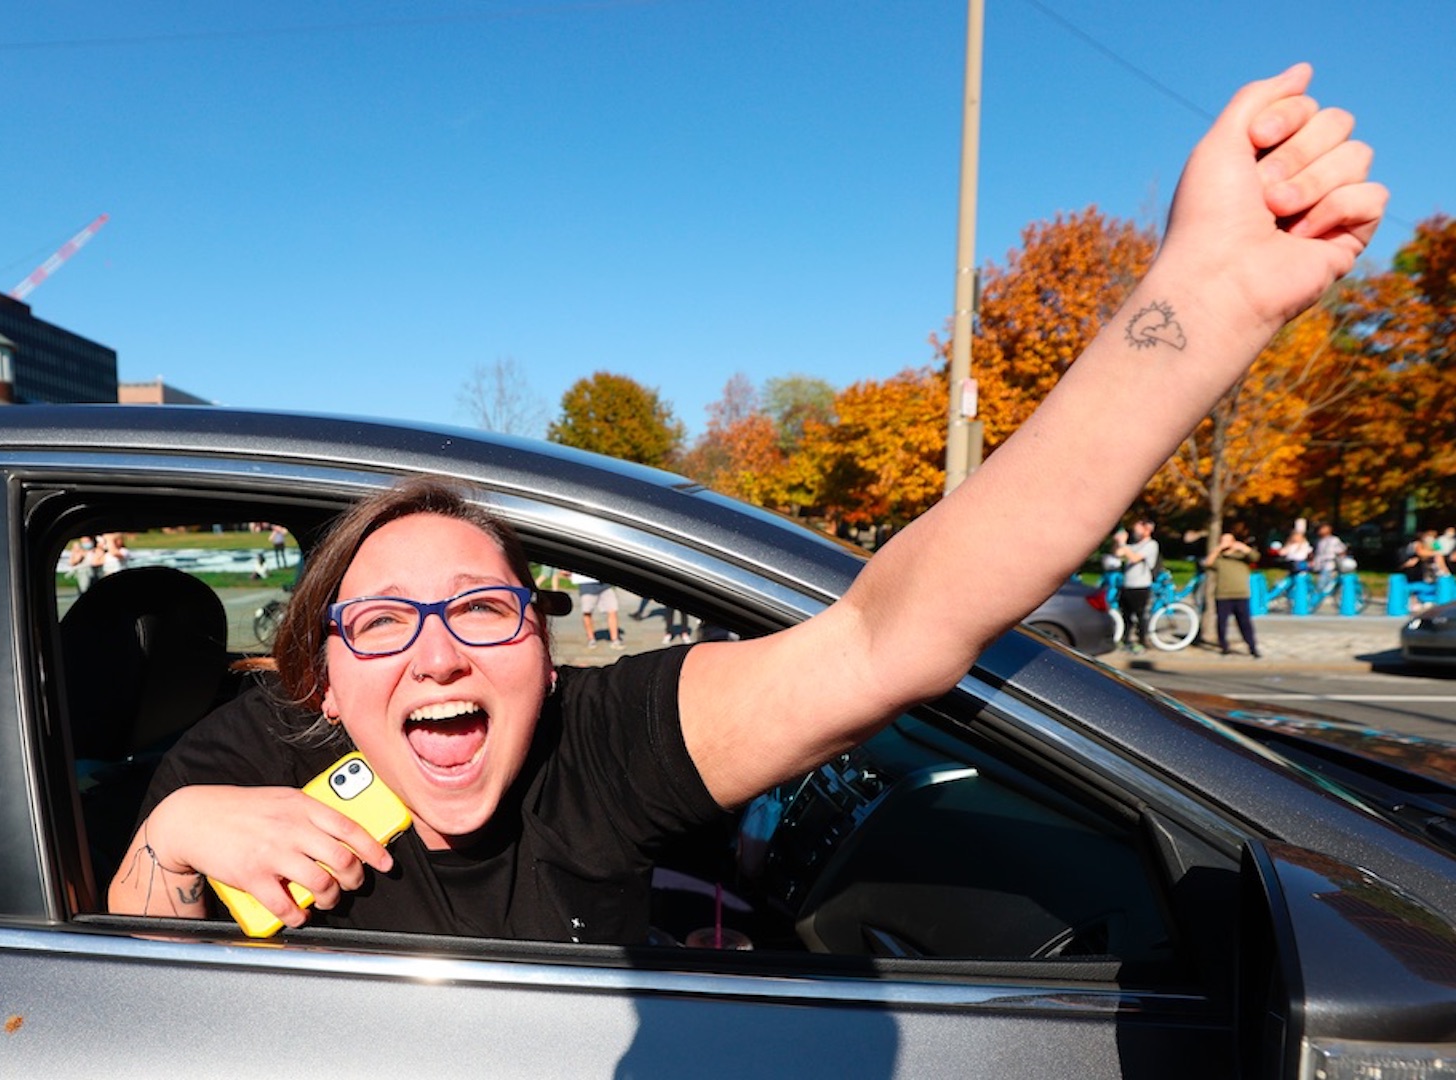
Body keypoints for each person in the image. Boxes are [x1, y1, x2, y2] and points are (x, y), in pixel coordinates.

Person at [108, 65, 1385, 941]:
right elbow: (107, 1001)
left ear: (544, 655)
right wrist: (169, 842)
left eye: (486, 611)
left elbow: (894, 630)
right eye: (381, 621)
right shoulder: (249, 765)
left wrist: (1209, 300)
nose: (438, 645)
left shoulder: (593, 747)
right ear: (321, 679)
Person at [1205, 529, 1262, 658]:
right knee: (1222, 622)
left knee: (1245, 622)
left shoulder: (1241, 557)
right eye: (1223, 540)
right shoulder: (1219, 558)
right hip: (1223, 594)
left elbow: (1255, 557)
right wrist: (1218, 549)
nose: (1225, 543)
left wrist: (1242, 547)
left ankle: (1252, 647)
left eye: (1228, 540)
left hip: (1241, 594)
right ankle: (1224, 646)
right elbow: (1208, 563)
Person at [1111, 519, 1159, 652]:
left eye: (1138, 529)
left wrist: (1122, 544)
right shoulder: (1133, 545)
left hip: (1141, 585)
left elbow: (1134, 558)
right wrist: (1117, 542)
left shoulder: (1151, 545)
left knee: (1140, 615)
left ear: (1147, 529)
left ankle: (1143, 641)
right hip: (1127, 584)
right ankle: (1126, 639)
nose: (1135, 532)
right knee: (1126, 615)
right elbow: (1117, 554)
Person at [1311, 522, 1349, 597]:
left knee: (1323, 580)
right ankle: (1326, 593)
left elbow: (1341, 550)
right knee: (1325, 579)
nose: (1320, 531)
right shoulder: (1319, 541)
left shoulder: (1334, 540)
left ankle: (1318, 595)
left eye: (1322, 529)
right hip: (1320, 564)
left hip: (1329, 563)